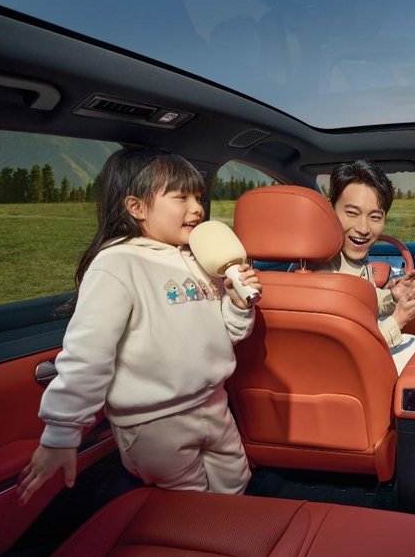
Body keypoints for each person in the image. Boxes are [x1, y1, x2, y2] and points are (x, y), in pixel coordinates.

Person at [17, 148, 261, 505]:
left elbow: (226, 335)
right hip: (154, 422)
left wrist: (238, 305)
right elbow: (88, 355)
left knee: (236, 484)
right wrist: (62, 432)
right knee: (188, 507)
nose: (197, 208)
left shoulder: (200, 261)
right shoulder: (118, 263)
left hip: (213, 404)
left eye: (198, 197)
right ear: (137, 207)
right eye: (181, 197)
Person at [312, 159, 415, 372]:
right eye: (352, 213)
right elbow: (350, 352)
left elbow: (363, 300)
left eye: (375, 217)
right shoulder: (326, 275)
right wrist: (398, 319)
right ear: (330, 209)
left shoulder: (343, 260)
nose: (363, 228)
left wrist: (392, 297)